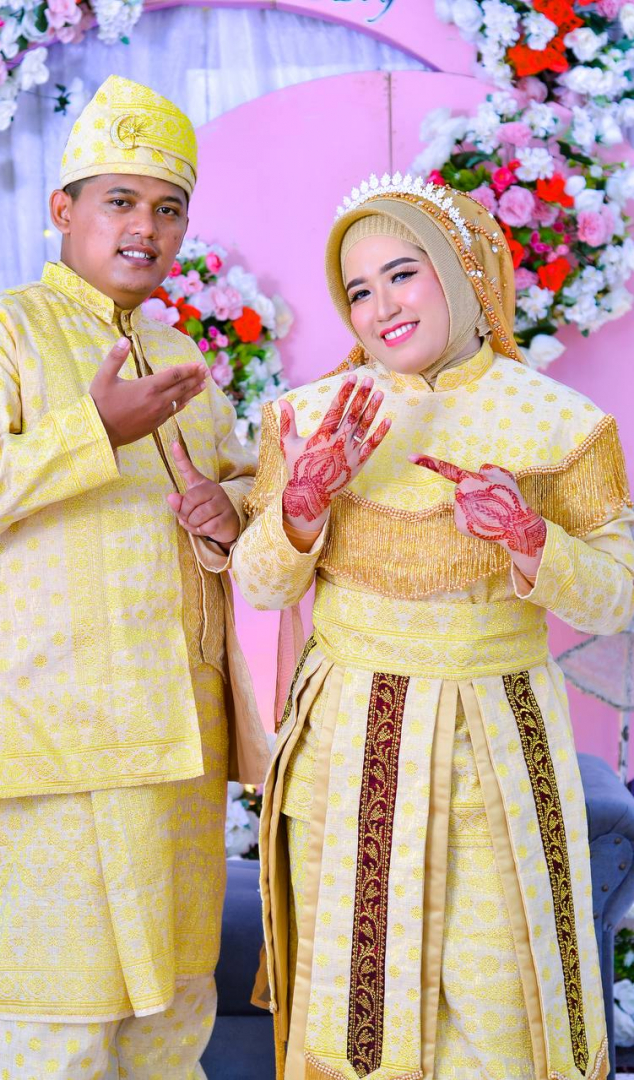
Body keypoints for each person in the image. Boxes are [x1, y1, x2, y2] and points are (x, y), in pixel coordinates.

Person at [231, 173, 634, 1080]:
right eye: (357, 290)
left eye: (402, 274)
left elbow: (617, 597)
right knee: (353, 1010)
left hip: (494, 743)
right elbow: (258, 584)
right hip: (346, 749)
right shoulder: (311, 419)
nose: (380, 307)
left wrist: (529, 538)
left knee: (500, 1010)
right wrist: (301, 505)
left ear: (461, 271)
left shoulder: (558, 424)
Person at [0, 74, 268, 1079]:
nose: (146, 228)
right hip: (64, 743)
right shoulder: (1, 333)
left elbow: (230, 487)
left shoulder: (178, 353)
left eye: (168, 209)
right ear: (62, 209)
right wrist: (92, 433)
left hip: (184, 744)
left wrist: (229, 509)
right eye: (121, 201)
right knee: (59, 1029)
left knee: (172, 1023)